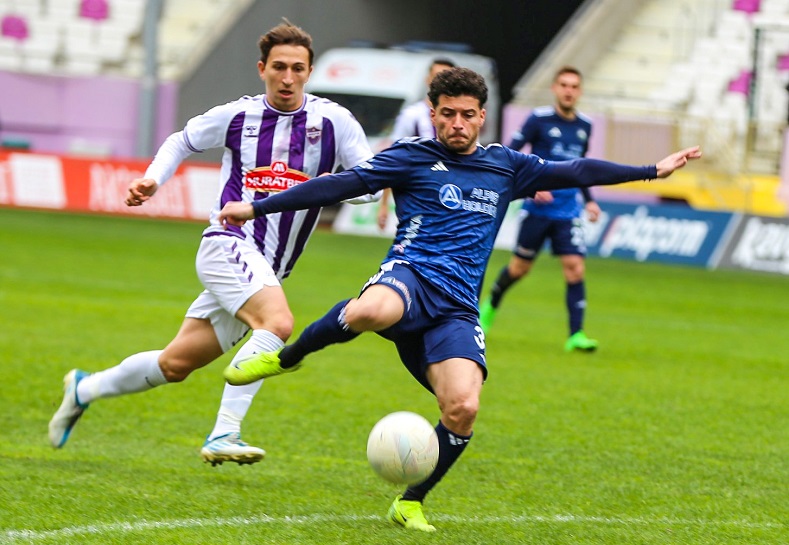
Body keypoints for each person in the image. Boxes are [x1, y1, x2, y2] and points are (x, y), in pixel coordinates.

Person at [217, 67, 700, 532]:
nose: (457, 124)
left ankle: (410, 502)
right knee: (369, 310)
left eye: (467, 114)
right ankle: (286, 359)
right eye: (447, 113)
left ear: (482, 116)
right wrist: (257, 206)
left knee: (463, 408)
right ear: (433, 113)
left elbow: (575, 169)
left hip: (456, 309)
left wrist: (651, 170)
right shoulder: (410, 157)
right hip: (410, 277)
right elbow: (338, 184)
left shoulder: (506, 166)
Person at [47, 20, 377, 466]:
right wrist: (153, 179)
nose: (287, 77)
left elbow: (368, 184)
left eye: (297, 68)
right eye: (278, 67)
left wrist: (346, 186)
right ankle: (225, 433)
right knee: (277, 323)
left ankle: (84, 388)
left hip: (270, 269)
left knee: (175, 365)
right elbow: (180, 141)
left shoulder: (335, 122)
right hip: (229, 244)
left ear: (309, 72)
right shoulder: (238, 116)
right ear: (261, 69)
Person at [479, 66, 601, 352]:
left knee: (575, 269)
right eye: (564, 85)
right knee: (519, 269)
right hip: (538, 210)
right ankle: (490, 306)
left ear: (580, 91)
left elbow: (580, 167)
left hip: (568, 211)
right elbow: (510, 153)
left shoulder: (585, 125)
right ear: (555, 88)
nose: (569, 91)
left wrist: (589, 199)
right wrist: (530, 185)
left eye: (574, 86)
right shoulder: (539, 119)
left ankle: (576, 335)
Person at [376, 58, 455, 230]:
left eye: (446, 77)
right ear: (427, 79)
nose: (441, 82)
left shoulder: (459, 118)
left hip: (451, 195)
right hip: (418, 195)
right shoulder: (412, 115)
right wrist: (384, 204)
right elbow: (393, 157)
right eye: (436, 76)